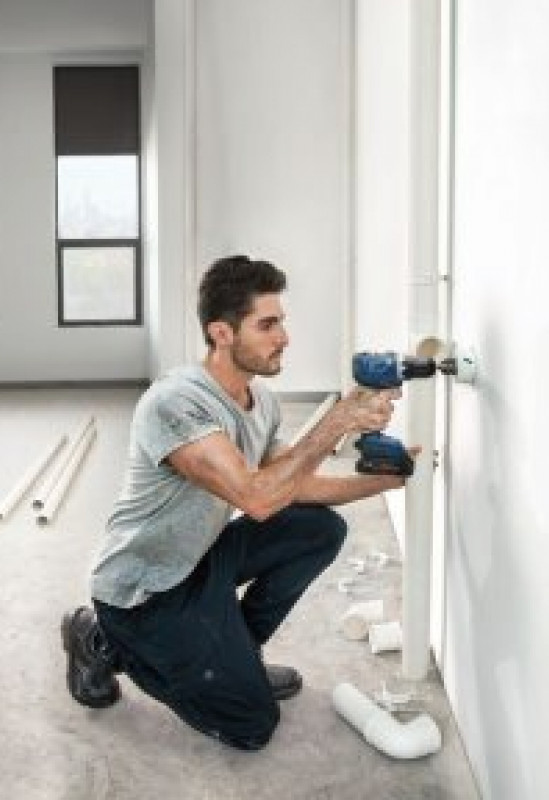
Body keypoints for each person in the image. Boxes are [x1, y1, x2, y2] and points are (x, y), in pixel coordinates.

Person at [62, 254, 412, 751]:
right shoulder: (176, 403)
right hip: (145, 592)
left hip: (200, 558)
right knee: (251, 725)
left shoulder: (260, 401)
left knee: (318, 529)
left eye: (281, 322)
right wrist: (338, 421)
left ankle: (238, 654)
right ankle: (101, 641)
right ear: (221, 333)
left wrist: (385, 482)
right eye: (267, 325)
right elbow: (258, 498)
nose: (284, 337)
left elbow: (292, 486)